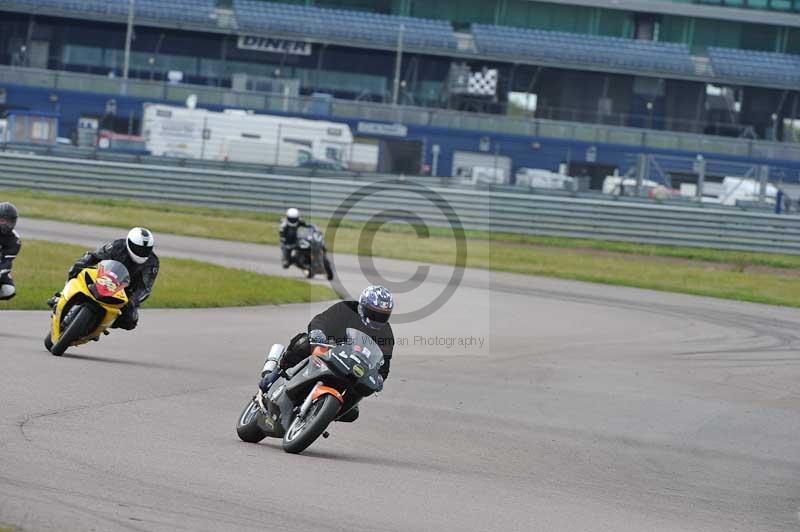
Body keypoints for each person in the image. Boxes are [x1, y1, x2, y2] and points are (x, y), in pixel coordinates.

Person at [258, 285, 395, 422]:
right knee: (303, 342)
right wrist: (318, 333)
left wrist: (379, 379)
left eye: (383, 315)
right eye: (374, 313)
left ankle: (322, 416)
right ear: (363, 306)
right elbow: (321, 320)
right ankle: (274, 374)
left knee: (353, 410)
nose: (378, 318)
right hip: (328, 350)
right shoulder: (346, 309)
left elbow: (384, 364)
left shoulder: (386, 333)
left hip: (353, 369)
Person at [50, 227, 159, 330]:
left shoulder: (152, 262)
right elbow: (97, 255)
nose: (141, 252)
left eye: (145, 249)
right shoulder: (118, 245)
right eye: (138, 248)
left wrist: (132, 301)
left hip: (125, 293)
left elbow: (145, 288)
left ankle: (102, 325)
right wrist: (84, 261)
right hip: (104, 277)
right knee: (77, 268)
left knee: (131, 321)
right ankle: (61, 295)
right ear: (129, 242)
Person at [0, 202, 21, 301]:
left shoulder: (14, 239)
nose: (5, 224)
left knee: (9, 290)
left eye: (8, 221)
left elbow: (7, 262)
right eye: (2, 220)